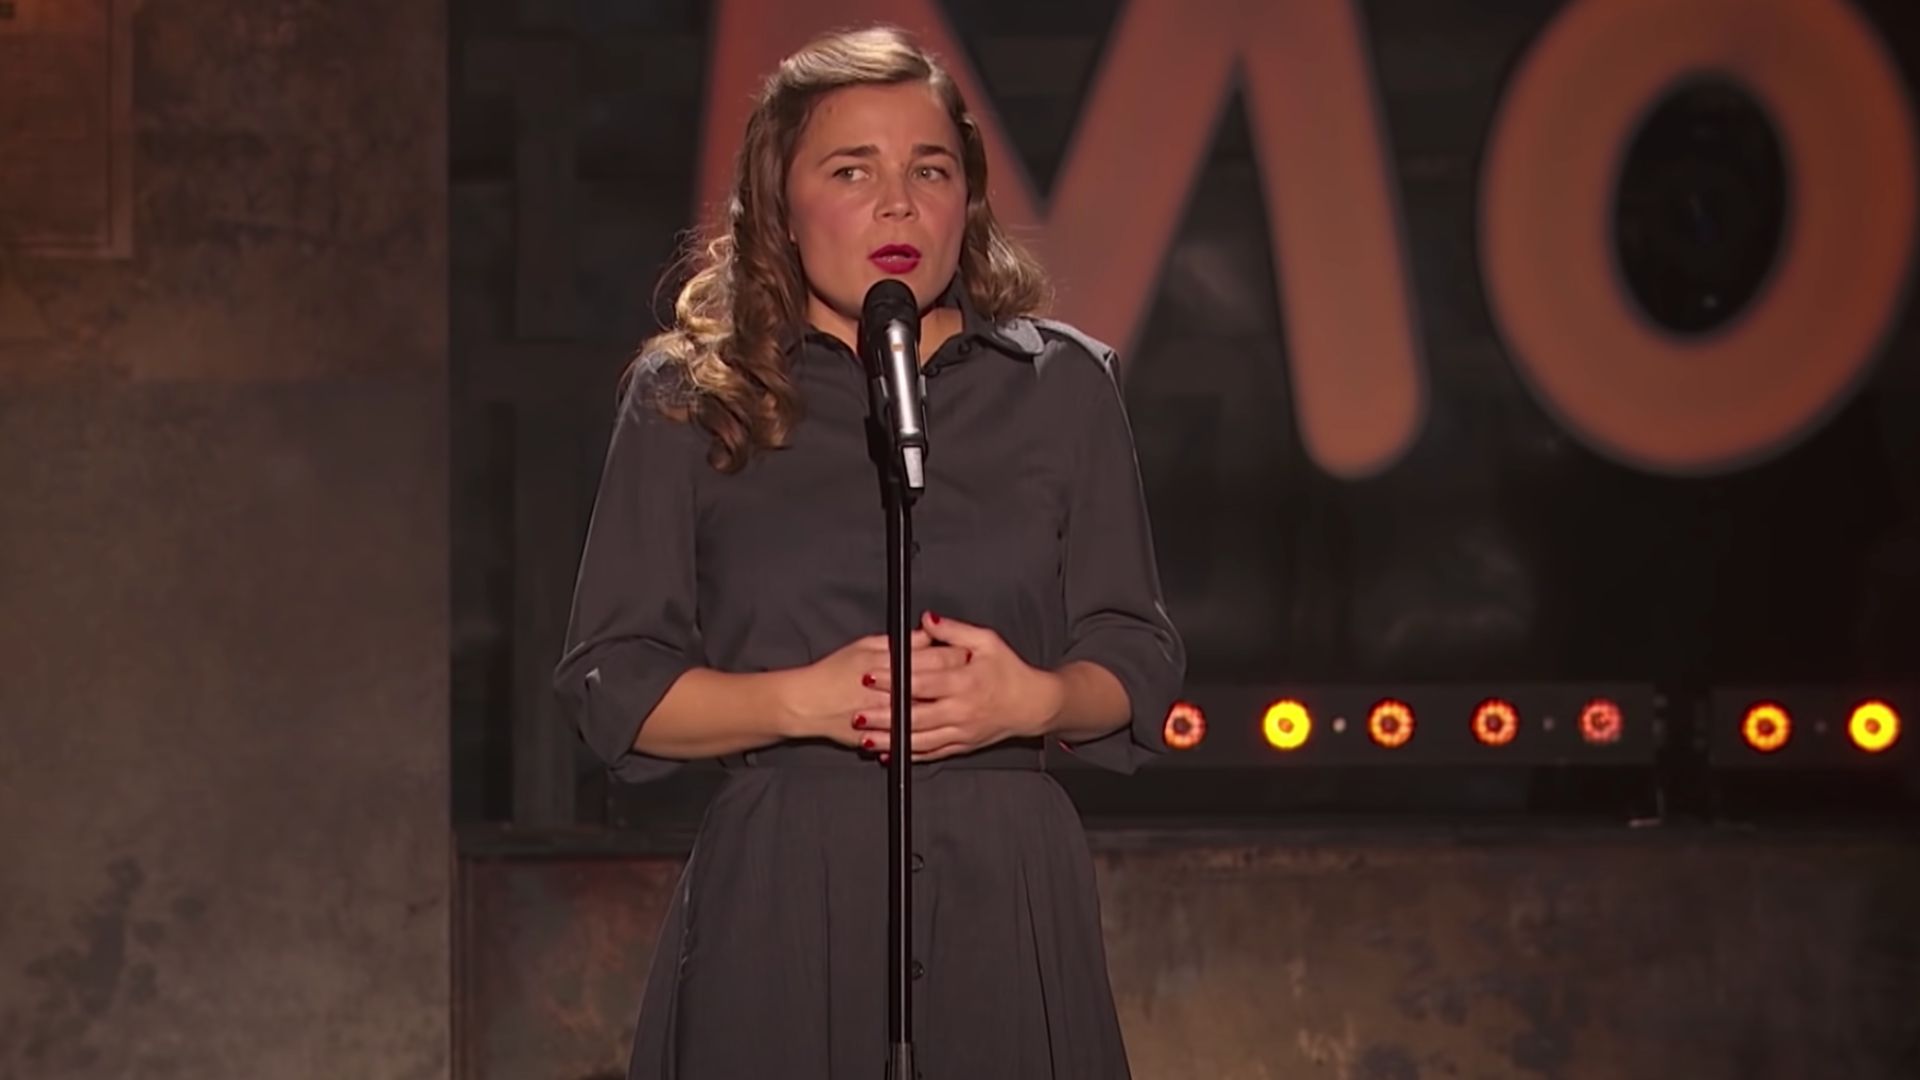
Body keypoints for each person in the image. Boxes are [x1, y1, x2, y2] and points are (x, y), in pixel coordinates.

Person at [553, 23, 1185, 1080]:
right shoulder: (691, 397)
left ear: (966, 200)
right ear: (781, 204)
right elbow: (614, 683)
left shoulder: (1061, 388)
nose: (898, 205)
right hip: (784, 896)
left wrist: (1033, 698)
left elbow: (1138, 654)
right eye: (853, 170)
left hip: (1007, 890)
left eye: (928, 170)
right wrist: (802, 702)